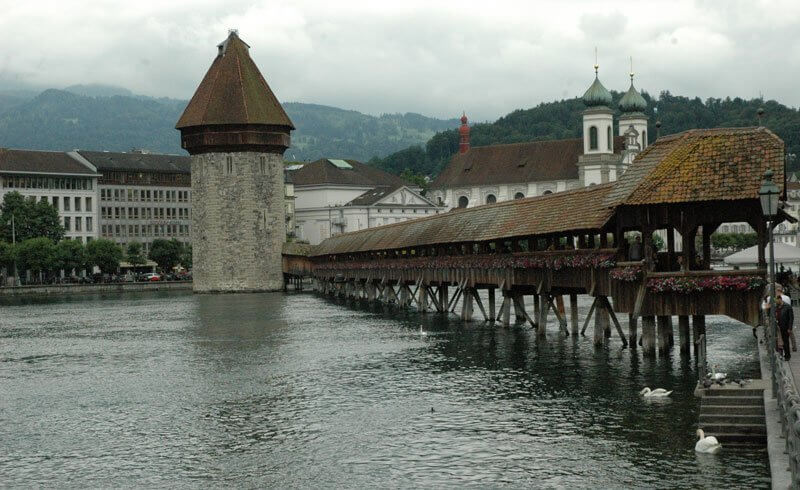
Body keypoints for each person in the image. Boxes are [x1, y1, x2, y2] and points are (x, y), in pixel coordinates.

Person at [762, 284, 796, 351]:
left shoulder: (772, 298)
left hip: (779, 316)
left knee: (778, 332)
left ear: (777, 291)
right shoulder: (787, 297)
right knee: (790, 332)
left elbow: (766, 307)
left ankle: (780, 346)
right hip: (787, 316)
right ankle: (794, 346)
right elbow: (789, 307)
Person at [776, 295, 794, 360]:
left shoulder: (788, 307)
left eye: (777, 300)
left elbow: (791, 318)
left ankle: (787, 355)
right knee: (779, 342)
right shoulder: (777, 307)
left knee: (785, 341)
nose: (776, 301)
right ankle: (781, 354)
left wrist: (790, 328)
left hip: (785, 327)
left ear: (780, 299)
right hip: (778, 327)